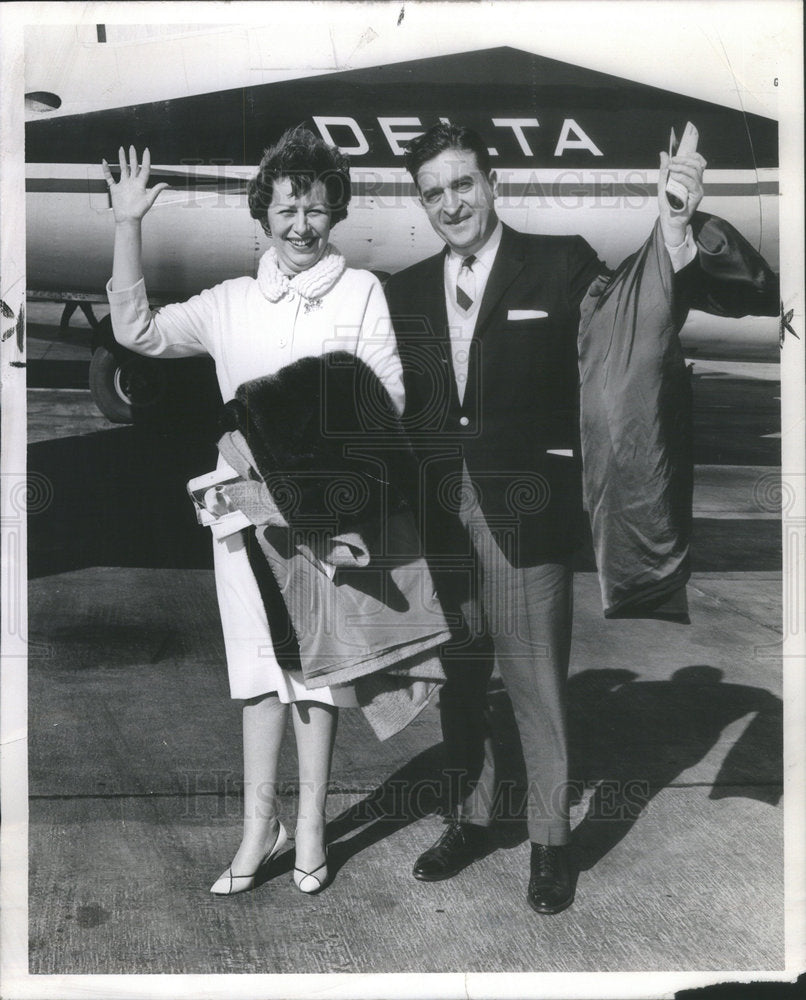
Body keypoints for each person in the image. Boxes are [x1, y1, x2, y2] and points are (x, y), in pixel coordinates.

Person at [383, 122, 706, 914]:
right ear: (420, 204)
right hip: (440, 517)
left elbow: (629, 320)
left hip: (524, 509)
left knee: (535, 685)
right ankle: (472, 817)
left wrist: (671, 226)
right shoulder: (405, 288)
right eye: (434, 192)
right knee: (460, 683)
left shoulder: (559, 263)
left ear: (492, 183)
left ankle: (551, 844)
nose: (451, 203)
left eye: (463, 184)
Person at [102, 128, 404, 896]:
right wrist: (128, 226)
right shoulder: (230, 303)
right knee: (259, 676)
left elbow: (389, 395)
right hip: (242, 521)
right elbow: (137, 331)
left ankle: (309, 830)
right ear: (261, 216)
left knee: (317, 677)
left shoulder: (360, 290)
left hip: (322, 522)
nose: (301, 224)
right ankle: (256, 828)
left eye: (315, 207)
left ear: (335, 210)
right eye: (285, 208)